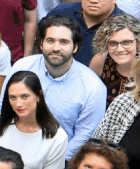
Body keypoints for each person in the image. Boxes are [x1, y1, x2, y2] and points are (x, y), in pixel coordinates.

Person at [6, 14, 106, 161]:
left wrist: (51, 163)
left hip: (60, 159)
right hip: (13, 151)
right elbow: (5, 111)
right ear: (41, 44)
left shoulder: (93, 87)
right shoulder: (21, 67)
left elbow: (83, 136)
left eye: (64, 42)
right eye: (50, 41)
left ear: (75, 47)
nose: (56, 48)